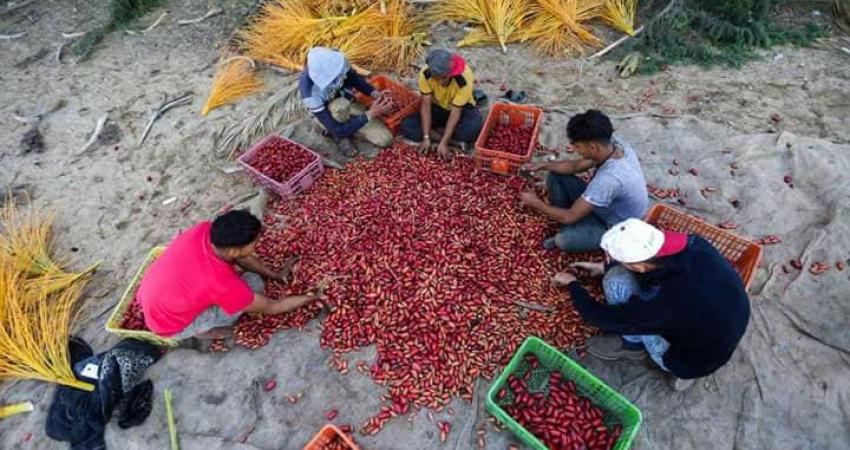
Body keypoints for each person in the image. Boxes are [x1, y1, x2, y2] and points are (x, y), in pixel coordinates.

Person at [551, 218, 751, 391]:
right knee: (624, 277)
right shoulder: (693, 243)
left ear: (639, 266)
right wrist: (602, 266)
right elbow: (648, 264)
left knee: (615, 280)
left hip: (690, 361)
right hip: (726, 324)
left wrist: (573, 285)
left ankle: (633, 346)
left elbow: (598, 317)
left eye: (620, 259)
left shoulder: (662, 305)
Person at [137, 209, 320, 341]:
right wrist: (312, 297)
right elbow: (271, 306)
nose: (257, 245)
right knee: (254, 283)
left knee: (241, 274)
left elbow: (243, 257)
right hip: (171, 326)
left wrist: (276, 275)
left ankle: (198, 310)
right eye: (254, 243)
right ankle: (201, 329)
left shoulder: (205, 230)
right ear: (233, 250)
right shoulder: (221, 284)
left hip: (152, 295)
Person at [519, 110, 649, 252]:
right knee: (555, 175)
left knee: (564, 240)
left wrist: (535, 203)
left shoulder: (608, 180)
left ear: (593, 147)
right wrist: (542, 165)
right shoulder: (612, 144)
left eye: (578, 146)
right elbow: (575, 166)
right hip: (605, 206)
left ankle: (576, 226)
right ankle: (569, 218)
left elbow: (569, 216)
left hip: (615, 225)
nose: (575, 150)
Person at [299, 47, 395, 157]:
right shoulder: (310, 94)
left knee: (385, 140)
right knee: (340, 108)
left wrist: (375, 93)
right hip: (330, 116)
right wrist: (370, 114)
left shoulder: (336, 60)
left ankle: (351, 125)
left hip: (349, 102)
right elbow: (337, 130)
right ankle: (337, 136)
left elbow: (353, 78)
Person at [401, 49, 483, 159]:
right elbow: (426, 105)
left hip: (461, 109)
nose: (443, 81)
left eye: (446, 77)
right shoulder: (425, 75)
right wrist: (426, 137)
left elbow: (455, 112)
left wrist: (444, 142)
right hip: (438, 107)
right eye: (440, 78)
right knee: (407, 125)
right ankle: (450, 140)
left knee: (473, 128)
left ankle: (440, 136)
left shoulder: (464, 78)